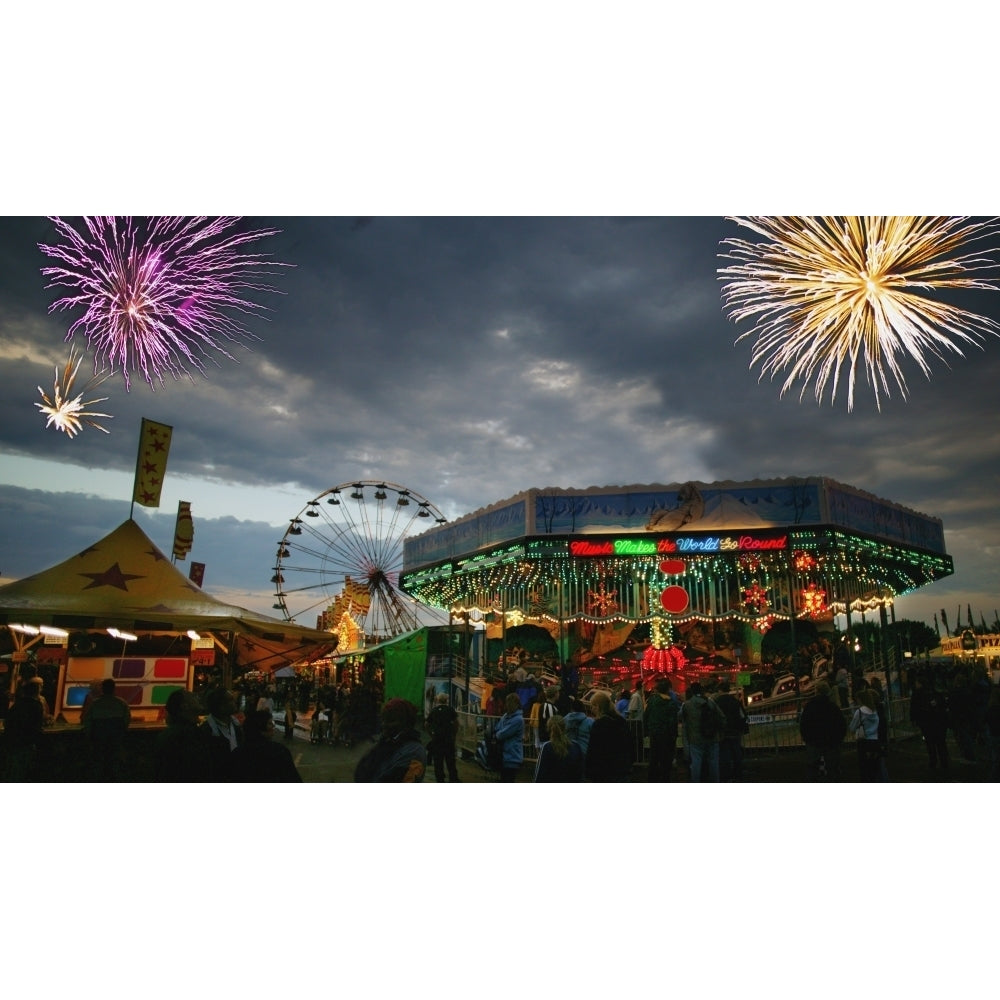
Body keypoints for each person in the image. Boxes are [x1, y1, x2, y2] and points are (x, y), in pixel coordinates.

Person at [354, 698, 427, 782]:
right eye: (383, 719)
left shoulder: (414, 752)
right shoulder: (387, 742)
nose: (384, 724)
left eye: (391, 720)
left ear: (405, 722)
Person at [153, 689, 219, 781]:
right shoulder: (186, 735)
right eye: (192, 697)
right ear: (185, 706)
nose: (197, 697)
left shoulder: (174, 733)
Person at [229, 709, 302, 781]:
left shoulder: (237, 753)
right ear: (261, 728)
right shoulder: (279, 751)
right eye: (270, 723)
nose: (273, 726)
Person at [83, 678, 131, 780]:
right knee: (114, 768)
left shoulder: (95, 704)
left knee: (99, 769)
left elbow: (87, 722)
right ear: (114, 689)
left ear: (102, 689)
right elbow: (126, 721)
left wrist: (89, 738)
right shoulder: (121, 703)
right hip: (116, 743)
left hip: (98, 743)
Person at [798, 680, 848, 781]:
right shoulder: (833, 707)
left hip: (814, 741)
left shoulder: (810, 706)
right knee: (833, 768)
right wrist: (839, 738)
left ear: (817, 691)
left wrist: (806, 738)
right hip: (831, 741)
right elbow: (841, 724)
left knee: (812, 768)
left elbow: (804, 723)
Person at [680, 682, 726, 782]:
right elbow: (722, 717)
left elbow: (681, 719)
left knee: (696, 763)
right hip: (712, 736)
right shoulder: (710, 702)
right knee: (713, 763)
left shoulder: (687, 705)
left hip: (695, 738)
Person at [2, 680, 46, 781]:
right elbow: (36, 726)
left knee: (13, 770)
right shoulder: (36, 705)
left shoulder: (17, 704)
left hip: (13, 742)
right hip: (26, 743)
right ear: (36, 692)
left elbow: (8, 722)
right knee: (23, 771)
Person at [585, 692, 632, 782]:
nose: (591, 709)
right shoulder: (621, 721)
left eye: (592, 706)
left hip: (604, 770)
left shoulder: (599, 724)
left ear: (597, 706)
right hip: (622, 767)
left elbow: (594, 749)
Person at [909, 673, 950, 774]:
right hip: (939, 721)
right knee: (941, 743)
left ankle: (933, 762)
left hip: (926, 722)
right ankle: (944, 762)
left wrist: (914, 720)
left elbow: (914, 708)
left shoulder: (917, 694)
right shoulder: (935, 692)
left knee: (930, 743)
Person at [643, 677, 680, 782]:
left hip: (654, 734)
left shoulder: (652, 701)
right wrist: (674, 735)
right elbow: (673, 722)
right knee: (666, 761)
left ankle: (652, 779)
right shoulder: (671, 703)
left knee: (653, 759)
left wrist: (647, 730)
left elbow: (646, 716)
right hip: (667, 736)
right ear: (668, 689)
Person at [201, 688, 243, 772]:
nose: (235, 702)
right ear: (221, 706)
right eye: (231, 700)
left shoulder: (236, 724)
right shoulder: (206, 730)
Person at [533, 714, 583, 782]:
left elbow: (540, 773)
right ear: (565, 728)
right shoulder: (576, 746)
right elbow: (580, 772)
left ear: (548, 729)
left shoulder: (547, 747)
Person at [714, 679, 747, 781]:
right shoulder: (735, 701)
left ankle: (725, 775)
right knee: (736, 753)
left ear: (720, 690)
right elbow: (742, 716)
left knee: (724, 754)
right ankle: (738, 774)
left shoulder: (716, 702)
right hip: (735, 731)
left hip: (723, 732)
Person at [426, 692, 460, 782]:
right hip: (448, 738)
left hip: (437, 739)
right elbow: (456, 723)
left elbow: (426, 724)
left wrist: (431, 734)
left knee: (438, 761)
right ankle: (453, 779)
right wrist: (454, 734)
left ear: (437, 700)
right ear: (446, 700)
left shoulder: (434, 711)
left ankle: (440, 779)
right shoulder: (450, 710)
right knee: (450, 761)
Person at [491, 693, 525, 783]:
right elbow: (498, 730)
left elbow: (501, 734)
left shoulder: (518, 719)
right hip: (505, 755)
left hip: (512, 756)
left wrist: (498, 734)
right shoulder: (506, 716)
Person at [849, 688, 881, 781]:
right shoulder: (874, 711)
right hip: (875, 740)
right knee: (874, 767)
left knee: (864, 767)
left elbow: (852, 727)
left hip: (863, 742)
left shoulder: (859, 712)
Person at [626, 680, 646, 763]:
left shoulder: (639, 696)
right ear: (641, 687)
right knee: (636, 743)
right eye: (644, 686)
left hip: (638, 723)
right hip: (636, 723)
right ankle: (636, 760)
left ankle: (638, 759)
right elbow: (632, 711)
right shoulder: (636, 697)